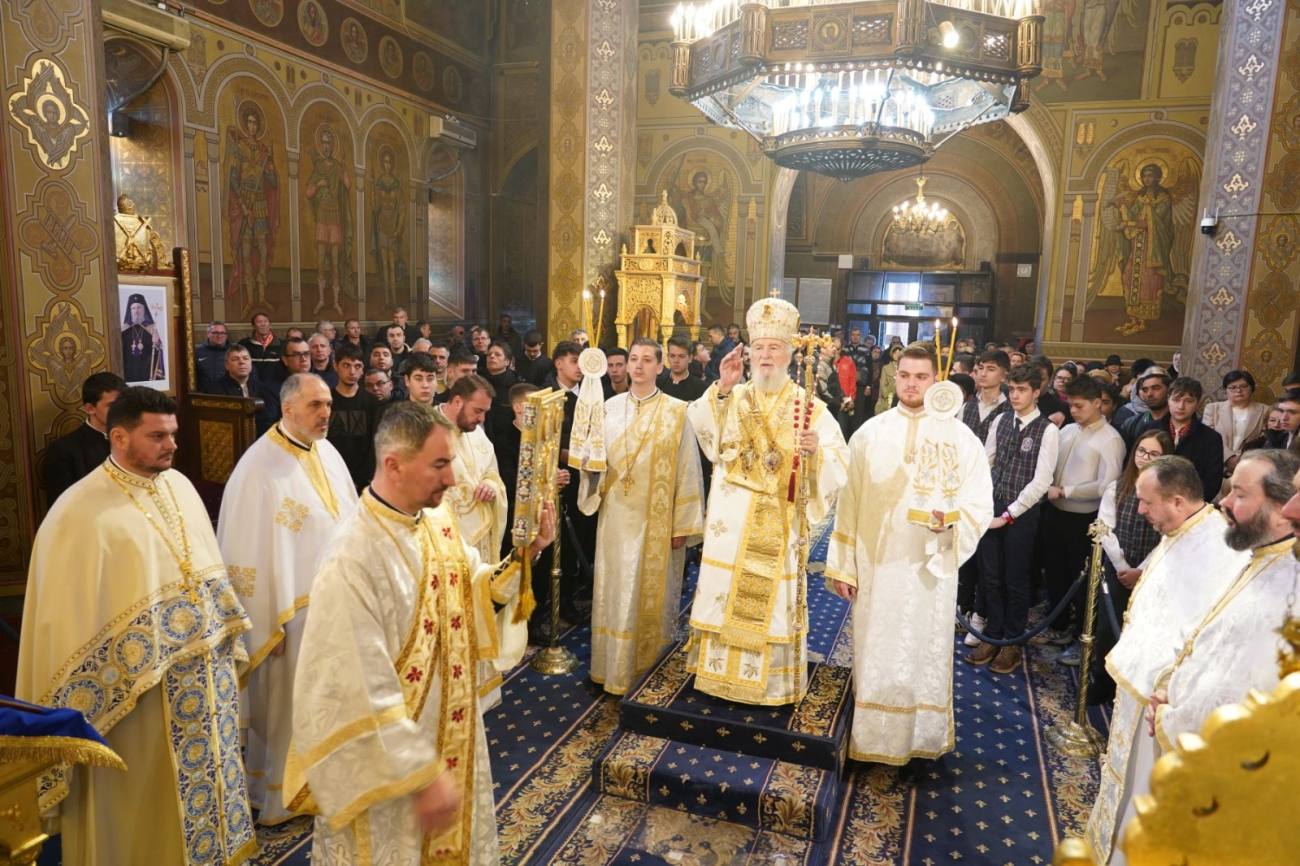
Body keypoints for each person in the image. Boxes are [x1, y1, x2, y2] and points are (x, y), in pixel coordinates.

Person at [286, 402, 555, 866]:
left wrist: (524, 556)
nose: (452, 478)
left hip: (452, 732)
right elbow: (355, 683)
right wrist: (422, 774)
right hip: (393, 767)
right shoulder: (352, 558)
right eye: (440, 464)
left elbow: (472, 588)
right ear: (394, 464)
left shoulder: (436, 519)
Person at [17, 387, 255, 864]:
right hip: (134, 700)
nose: (172, 445)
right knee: (143, 817)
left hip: (204, 688)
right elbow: (64, 627)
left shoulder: (180, 487)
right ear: (119, 437)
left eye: (173, 434)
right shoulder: (78, 513)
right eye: (157, 436)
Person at [1124, 452, 1300, 864]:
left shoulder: (1288, 591)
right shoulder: (1263, 560)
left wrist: (1171, 715)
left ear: (1279, 506)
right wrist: (1171, 687)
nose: (1224, 503)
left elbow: (1244, 691)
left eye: (1240, 494)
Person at [828, 346, 993, 765]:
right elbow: (848, 503)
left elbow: (979, 504)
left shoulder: (961, 440)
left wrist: (950, 524)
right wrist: (844, 566)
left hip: (929, 570)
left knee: (923, 651)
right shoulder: (869, 434)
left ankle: (919, 742)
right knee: (876, 649)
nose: (911, 384)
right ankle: (871, 741)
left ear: (936, 380)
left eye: (921, 376)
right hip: (878, 565)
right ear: (895, 376)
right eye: (904, 375)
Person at [686, 297, 848, 705]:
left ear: (790, 354)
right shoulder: (734, 396)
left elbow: (839, 460)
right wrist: (722, 387)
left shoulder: (809, 406)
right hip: (731, 519)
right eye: (759, 348)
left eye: (774, 348)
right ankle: (718, 676)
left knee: (772, 602)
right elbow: (706, 434)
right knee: (724, 593)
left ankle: (771, 686)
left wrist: (816, 452)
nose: (765, 355)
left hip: (779, 519)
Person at [1085, 455, 1246, 864]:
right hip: (1139, 684)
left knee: (1144, 788)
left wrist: (1167, 689)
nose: (1140, 510)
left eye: (1146, 502)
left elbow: (1203, 633)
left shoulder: (1218, 547)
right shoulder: (1182, 530)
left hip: (1161, 699)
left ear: (1177, 501)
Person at [217, 374, 357, 824]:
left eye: (328, 404)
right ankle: (280, 794)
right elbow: (242, 551)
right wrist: (261, 623)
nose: (326, 413)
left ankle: (323, 782)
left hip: (333, 603)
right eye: (316, 405)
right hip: (287, 616)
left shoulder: (327, 452)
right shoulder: (258, 468)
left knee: (330, 698)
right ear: (288, 408)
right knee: (287, 707)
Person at [579, 339, 703, 695]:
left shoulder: (678, 412)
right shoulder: (608, 408)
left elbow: (688, 468)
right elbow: (593, 459)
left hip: (656, 522)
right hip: (616, 517)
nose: (638, 365)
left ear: (659, 367)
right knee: (613, 590)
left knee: (648, 595)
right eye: (633, 358)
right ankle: (608, 669)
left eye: (647, 360)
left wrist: (683, 523)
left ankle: (647, 671)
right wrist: (588, 468)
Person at [966, 365, 1060, 674]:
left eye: (1022, 390)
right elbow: (986, 460)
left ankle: (1012, 641)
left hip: (1022, 512)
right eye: (1013, 390)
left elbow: (1042, 481)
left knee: (1015, 579)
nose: (1016, 395)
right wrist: (982, 502)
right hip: (992, 504)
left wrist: (1009, 515)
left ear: (1036, 392)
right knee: (990, 576)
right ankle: (992, 635)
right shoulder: (1002, 420)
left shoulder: (1047, 430)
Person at [1042, 376, 1127, 658]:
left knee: (1081, 579)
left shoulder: (1110, 439)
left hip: (1085, 518)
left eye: (1080, 406)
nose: (1074, 411)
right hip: (1055, 512)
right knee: (1055, 572)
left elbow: (1107, 486)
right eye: (1071, 405)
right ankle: (1057, 625)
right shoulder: (1067, 430)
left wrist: (1066, 491)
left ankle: (1082, 636)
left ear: (1098, 403)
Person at [1088, 428, 1172, 705]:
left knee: (1140, 630)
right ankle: (1102, 682)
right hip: (1118, 569)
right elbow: (1105, 528)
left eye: (1154, 454)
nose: (1145, 457)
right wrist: (1123, 567)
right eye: (1142, 451)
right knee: (1107, 630)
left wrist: (1141, 571)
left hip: (1150, 571)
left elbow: (1168, 535)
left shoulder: (1169, 494)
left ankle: (1130, 686)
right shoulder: (1117, 487)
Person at [1132, 376, 1223, 503]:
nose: (1181, 406)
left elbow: (1212, 482)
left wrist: (1188, 504)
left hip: (1189, 504)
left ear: (1198, 403)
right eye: (1176, 400)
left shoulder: (1211, 438)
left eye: (1189, 401)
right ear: (1168, 399)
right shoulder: (1148, 429)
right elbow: (1134, 467)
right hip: (1148, 499)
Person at [42, 372, 124, 506]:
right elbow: (62, 507)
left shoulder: (136, 440)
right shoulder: (63, 450)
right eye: (112, 405)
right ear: (90, 409)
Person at [1202, 370, 1269, 496]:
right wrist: (1229, 458)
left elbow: (1264, 440)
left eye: (1243, 386)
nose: (1238, 390)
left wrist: (1241, 460)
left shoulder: (1265, 410)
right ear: (1225, 390)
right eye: (1232, 387)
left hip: (1249, 469)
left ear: (1252, 388)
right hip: (1217, 467)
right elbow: (1208, 437)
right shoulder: (1213, 409)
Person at [328, 344, 381, 489]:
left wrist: (361, 479)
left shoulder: (372, 403)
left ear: (363, 369)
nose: (352, 372)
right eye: (346, 365)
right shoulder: (325, 401)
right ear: (336, 366)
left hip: (364, 480)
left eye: (357, 366)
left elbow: (374, 446)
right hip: (331, 476)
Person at [963, 350, 1011, 443]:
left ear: (1004, 376)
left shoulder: (1011, 410)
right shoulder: (967, 407)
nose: (983, 374)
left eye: (991, 369)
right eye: (981, 368)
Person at [1120, 367, 1171, 445]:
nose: (1149, 394)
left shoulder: (1178, 423)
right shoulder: (1131, 424)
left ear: (1169, 390)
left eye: (1156, 388)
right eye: (1145, 390)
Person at [120, 293, 164, 382]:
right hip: (128, 371)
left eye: (139, 307)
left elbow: (160, 352)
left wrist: (157, 343)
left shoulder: (152, 329)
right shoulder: (123, 330)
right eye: (133, 308)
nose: (136, 311)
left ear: (144, 310)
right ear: (130, 311)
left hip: (146, 371)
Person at [659, 335, 708, 402]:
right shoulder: (657, 384)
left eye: (681, 356)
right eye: (672, 356)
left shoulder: (702, 388)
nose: (676, 360)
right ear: (667, 357)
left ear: (690, 358)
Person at [240, 312, 282, 379]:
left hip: (275, 384)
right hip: (252, 383)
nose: (263, 324)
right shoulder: (244, 344)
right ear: (254, 326)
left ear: (270, 325)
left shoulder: (281, 344)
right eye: (259, 322)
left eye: (265, 321)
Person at [194, 321, 230, 391]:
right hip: (203, 394)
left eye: (222, 333)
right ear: (208, 334)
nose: (219, 336)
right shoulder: (197, 352)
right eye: (215, 333)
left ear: (226, 335)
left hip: (228, 394)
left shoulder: (233, 351)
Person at [874, 344, 902, 414]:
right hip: (888, 399)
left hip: (902, 400)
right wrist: (893, 384)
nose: (897, 355)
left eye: (899, 353)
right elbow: (882, 386)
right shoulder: (886, 368)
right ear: (892, 354)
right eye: (895, 353)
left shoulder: (906, 368)